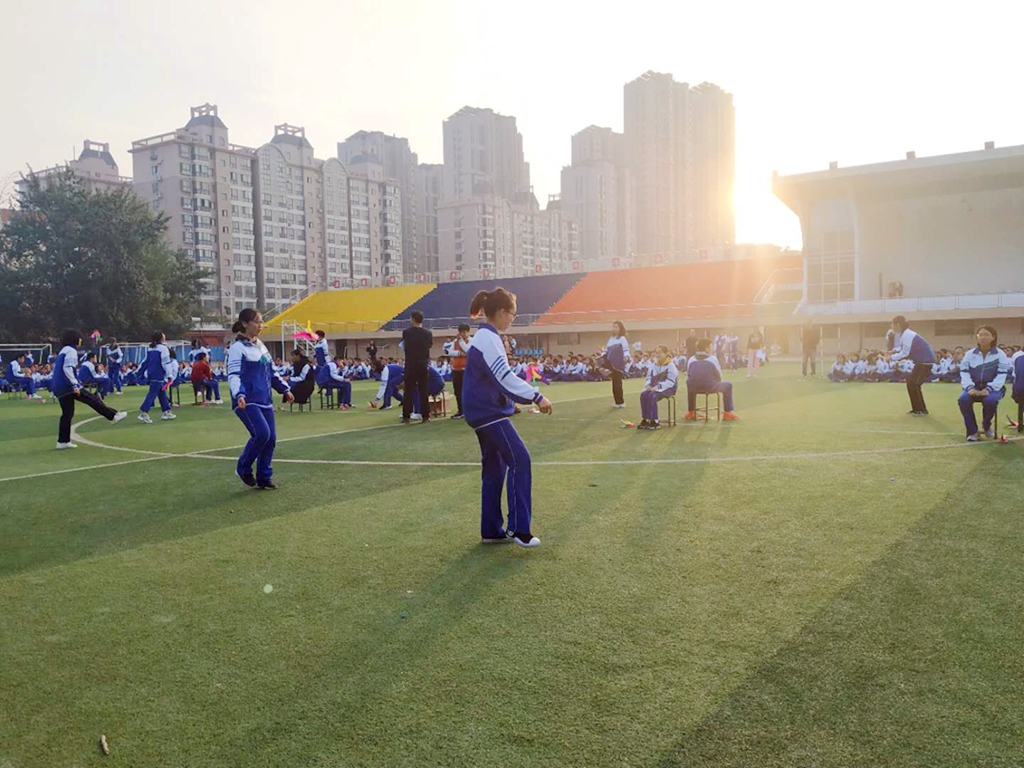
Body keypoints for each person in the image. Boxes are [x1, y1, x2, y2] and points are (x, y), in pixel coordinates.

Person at [462, 288, 552, 548]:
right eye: (513, 313)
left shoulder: (485, 337)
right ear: (501, 312)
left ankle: (491, 529)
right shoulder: (489, 338)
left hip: (481, 411)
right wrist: (536, 396)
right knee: (520, 459)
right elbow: (504, 377)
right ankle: (519, 529)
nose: (513, 318)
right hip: (488, 412)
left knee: (495, 468)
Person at [228, 308, 293, 489]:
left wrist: (284, 389)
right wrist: (239, 394)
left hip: (265, 400)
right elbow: (234, 375)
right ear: (244, 324)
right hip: (247, 401)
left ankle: (264, 477)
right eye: (257, 322)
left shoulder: (261, 346)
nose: (261, 325)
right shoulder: (237, 349)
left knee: (270, 439)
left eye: (261, 321)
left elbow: (272, 372)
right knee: (262, 434)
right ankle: (243, 468)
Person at [51, 330, 128, 449]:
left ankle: (63, 441)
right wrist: (75, 385)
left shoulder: (64, 350)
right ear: (75, 339)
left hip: (58, 386)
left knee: (67, 413)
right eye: (79, 338)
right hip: (67, 385)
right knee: (92, 399)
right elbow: (68, 369)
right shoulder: (71, 351)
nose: (81, 340)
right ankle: (112, 415)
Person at [957, 325, 1011, 441]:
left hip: (994, 388)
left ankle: (986, 426)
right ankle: (972, 432)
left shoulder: (1000, 354)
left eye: (986, 335)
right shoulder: (970, 354)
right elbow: (964, 372)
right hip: (973, 386)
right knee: (963, 399)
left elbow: (1002, 374)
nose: (982, 337)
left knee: (990, 400)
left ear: (993, 337)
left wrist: (989, 389)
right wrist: (970, 388)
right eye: (980, 335)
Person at [889, 315, 936, 416]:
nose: (891, 326)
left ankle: (920, 410)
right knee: (912, 383)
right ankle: (918, 409)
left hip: (924, 362)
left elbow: (905, 353)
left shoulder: (907, 334)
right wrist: (894, 351)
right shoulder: (905, 334)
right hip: (922, 362)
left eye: (892, 324)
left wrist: (891, 357)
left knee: (913, 384)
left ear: (898, 324)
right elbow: (905, 348)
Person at [686, 338, 739, 420]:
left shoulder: (691, 359)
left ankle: (691, 412)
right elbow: (719, 376)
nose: (712, 348)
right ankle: (728, 412)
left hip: (694, 388)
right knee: (728, 385)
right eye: (710, 347)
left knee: (690, 383)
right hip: (710, 387)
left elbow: (689, 375)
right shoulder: (712, 359)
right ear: (706, 348)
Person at [400, 309, 432, 425]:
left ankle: (406, 416)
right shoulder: (428, 333)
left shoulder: (406, 332)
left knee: (408, 391)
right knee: (423, 390)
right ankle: (425, 416)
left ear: (413, 319)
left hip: (411, 364)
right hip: (423, 364)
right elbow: (429, 346)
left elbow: (404, 346)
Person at [138, 332, 177, 423]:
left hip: (151, 373)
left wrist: (140, 371)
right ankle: (144, 412)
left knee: (161, 393)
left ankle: (166, 411)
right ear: (161, 338)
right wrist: (169, 375)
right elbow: (165, 363)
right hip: (159, 373)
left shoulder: (150, 348)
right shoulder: (163, 348)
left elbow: (145, 362)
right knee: (152, 393)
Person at [637, 345, 678, 430]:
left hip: (669, 388)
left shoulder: (670, 365)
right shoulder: (653, 365)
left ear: (666, 354)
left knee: (652, 395)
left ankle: (655, 421)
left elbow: (670, 382)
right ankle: (646, 419)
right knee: (643, 394)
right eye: (656, 352)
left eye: (660, 352)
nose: (657, 354)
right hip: (654, 387)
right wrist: (648, 385)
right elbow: (648, 377)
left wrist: (658, 386)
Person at [445, 323, 472, 419]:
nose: (463, 334)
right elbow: (448, 352)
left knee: (467, 391)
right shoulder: (455, 341)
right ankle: (461, 410)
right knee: (457, 391)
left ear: (468, 332)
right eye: (461, 332)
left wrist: (460, 342)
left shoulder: (471, 341)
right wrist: (459, 353)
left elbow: (468, 350)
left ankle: (468, 410)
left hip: (466, 369)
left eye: (464, 332)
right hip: (456, 369)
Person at [603, 321, 631, 409]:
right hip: (611, 364)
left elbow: (626, 350)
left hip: (618, 364)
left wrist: (626, 357)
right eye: (613, 327)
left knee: (618, 383)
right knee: (614, 384)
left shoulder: (622, 338)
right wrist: (601, 356)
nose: (614, 328)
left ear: (620, 328)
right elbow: (606, 350)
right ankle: (617, 402)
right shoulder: (611, 339)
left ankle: (621, 402)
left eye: (616, 327)